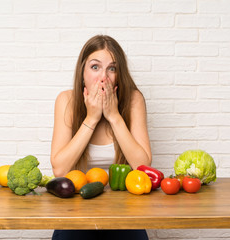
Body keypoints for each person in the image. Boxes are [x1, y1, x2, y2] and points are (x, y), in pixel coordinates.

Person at [50, 35, 152, 240]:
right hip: (76, 210)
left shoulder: (134, 100)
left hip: (126, 211)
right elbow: (60, 169)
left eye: (112, 69)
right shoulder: (66, 100)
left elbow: (143, 166)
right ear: (82, 72)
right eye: (95, 67)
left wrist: (114, 116)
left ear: (119, 75)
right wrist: (92, 117)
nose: (103, 77)